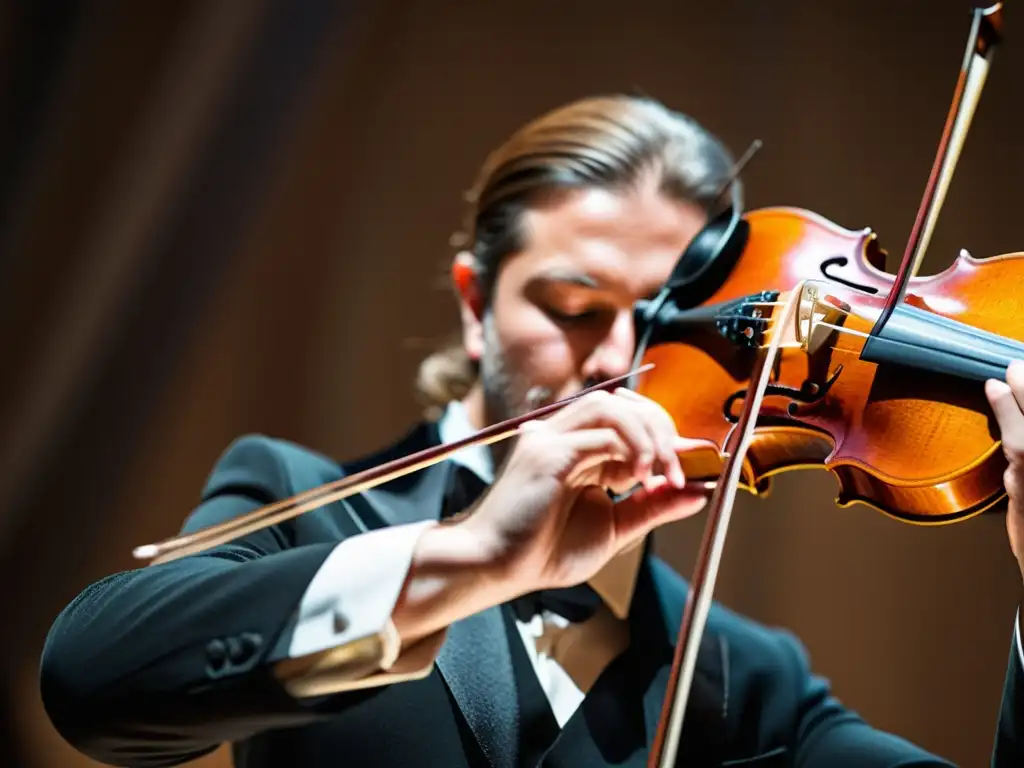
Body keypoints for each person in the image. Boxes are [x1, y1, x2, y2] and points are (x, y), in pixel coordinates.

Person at [38, 94, 1024, 768]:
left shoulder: (744, 679)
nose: (617, 361)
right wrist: (463, 562)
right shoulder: (307, 509)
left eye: (664, 319)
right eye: (571, 306)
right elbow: (91, 682)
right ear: (475, 305)